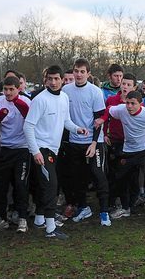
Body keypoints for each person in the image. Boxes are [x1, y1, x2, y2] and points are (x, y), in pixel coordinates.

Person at [23, 65, 88, 239]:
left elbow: (66, 121)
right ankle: (50, 228)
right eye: (49, 79)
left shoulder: (64, 97)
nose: (53, 82)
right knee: (51, 186)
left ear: (61, 80)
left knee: (44, 184)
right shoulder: (40, 100)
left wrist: (78, 129)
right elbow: (28, 126)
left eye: (56, 79)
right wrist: (35, 151)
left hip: (54, 149)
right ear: (45, 80)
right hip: (42, 149)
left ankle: (38, 220)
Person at [101, 91, 145, 222]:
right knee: (121, 177)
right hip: (129, 150)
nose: (129, 106)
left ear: (140, 104)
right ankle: (125, 208)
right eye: (127, 103)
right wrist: (102, 119)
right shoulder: (122, 110)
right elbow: (109, 109)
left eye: (133, 103)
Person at [59, 58, 111, 226]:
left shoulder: (95, 91)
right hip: (75, 141)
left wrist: (94, 143)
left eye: (82, 72)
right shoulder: (66, 90)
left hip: (94, 142)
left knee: (98, 174)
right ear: (72, 72)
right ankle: (83, 207)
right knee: (77, 178)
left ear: (88, 74)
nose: (79, 74)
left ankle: (104, 212)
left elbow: (99, 120)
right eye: (76, 71)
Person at [0, 77, 32, 233]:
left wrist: (19, 105)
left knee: (21, 185)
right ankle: (2, 218)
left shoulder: (26, 101)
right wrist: (0, 115)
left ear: (18, 89)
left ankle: (22, 218)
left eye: (11, 89)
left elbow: (32, 120)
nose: (7, 93)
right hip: (4, 148)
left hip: (22, 149)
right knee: (1, 186)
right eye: (5, 89)